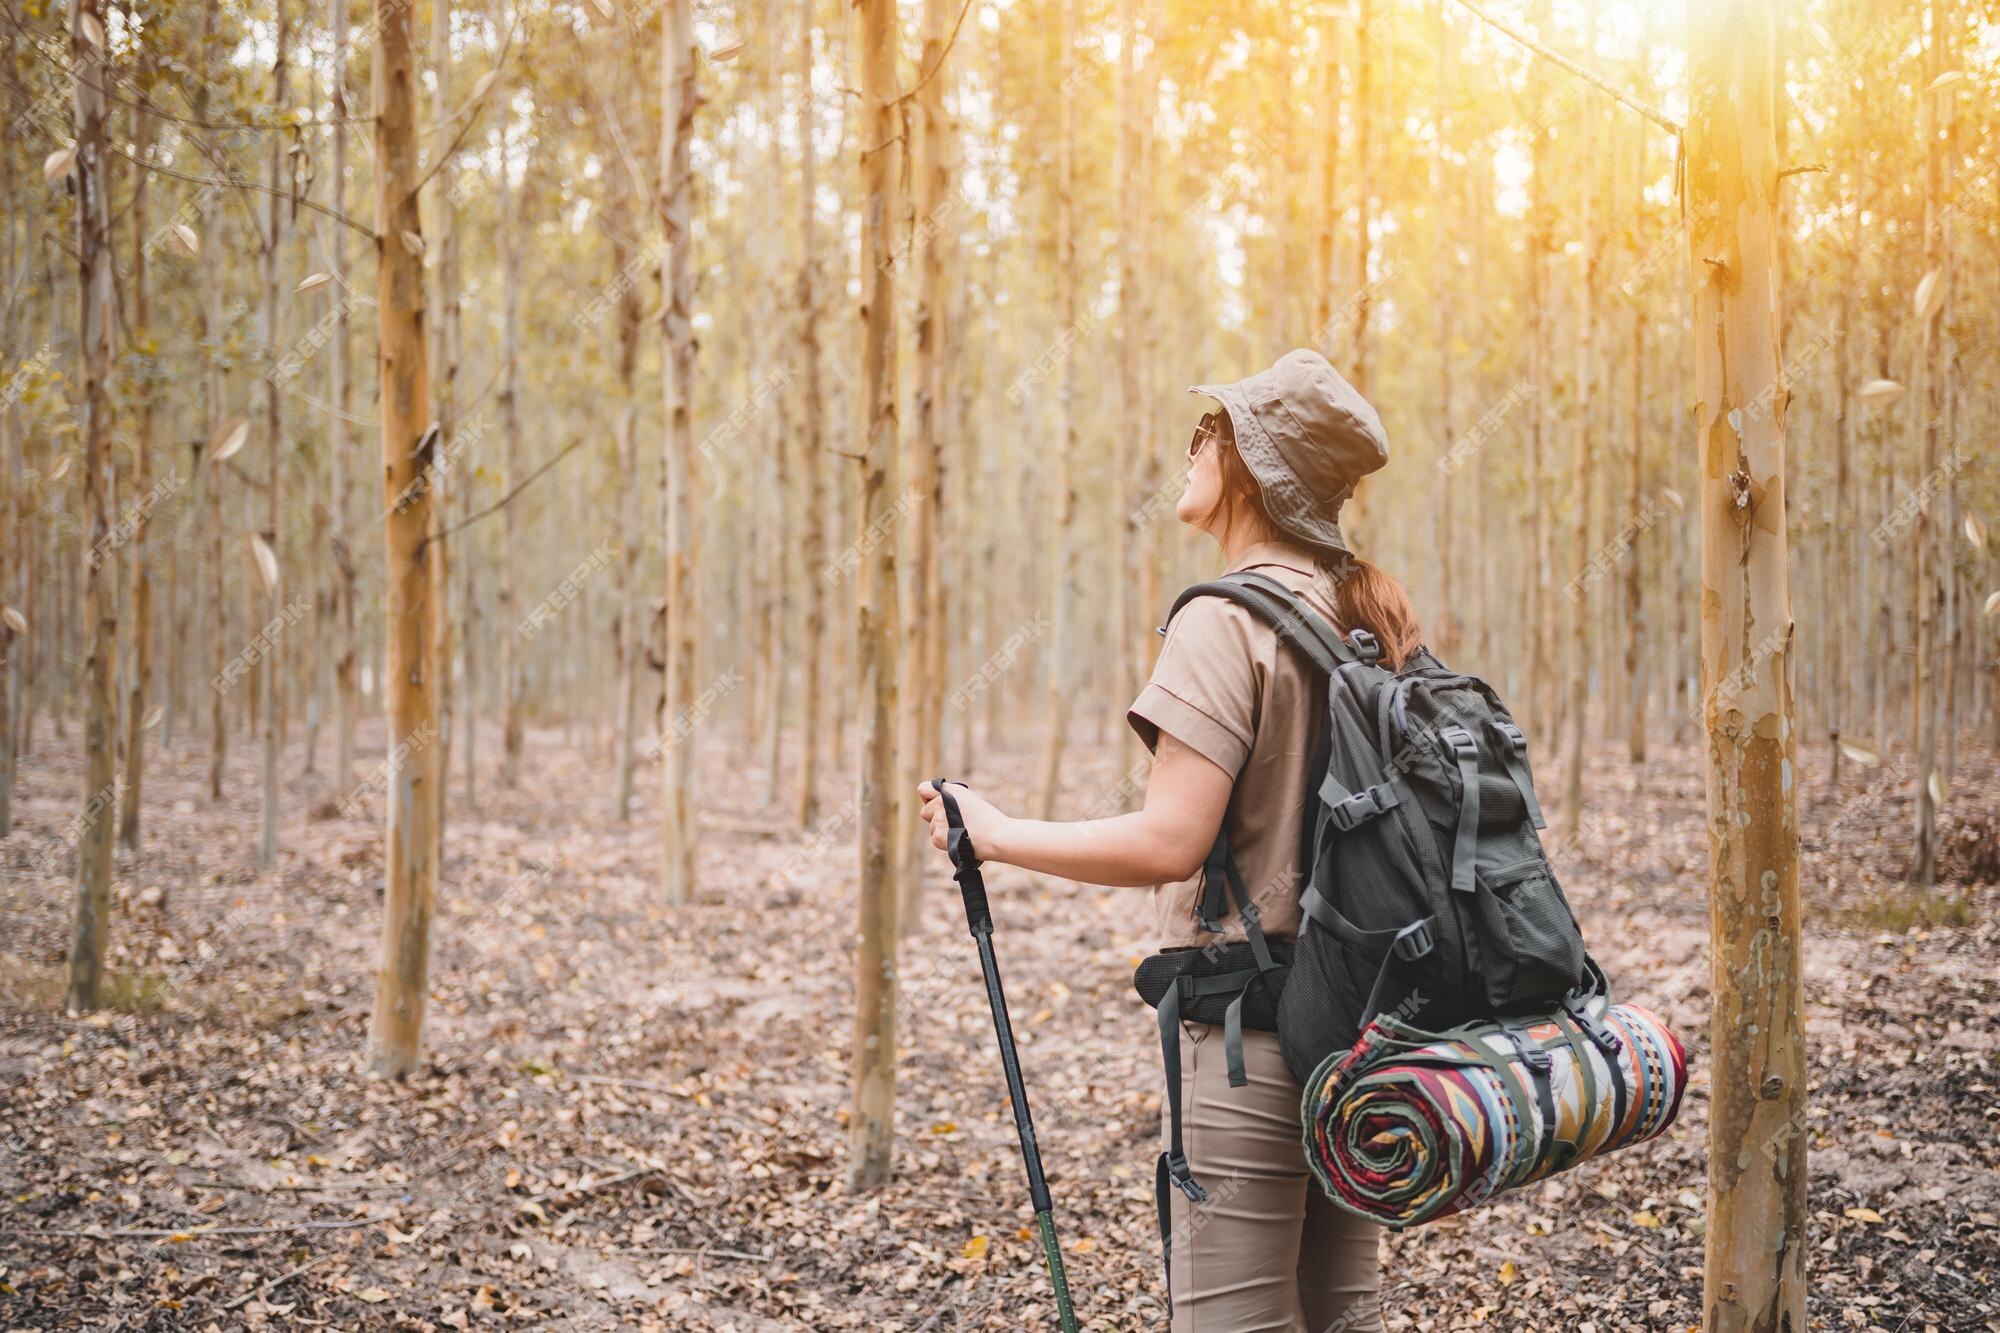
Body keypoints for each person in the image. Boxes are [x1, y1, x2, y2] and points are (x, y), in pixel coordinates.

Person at [918, 348, 1422, 1331]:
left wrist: (996, 834)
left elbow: (1169, 840)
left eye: (1210, 432)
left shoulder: (1223, 618)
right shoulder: (1361, 618)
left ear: (1249, 466)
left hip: (1249, 1046)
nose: (1191, 448)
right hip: (1362, 1033)